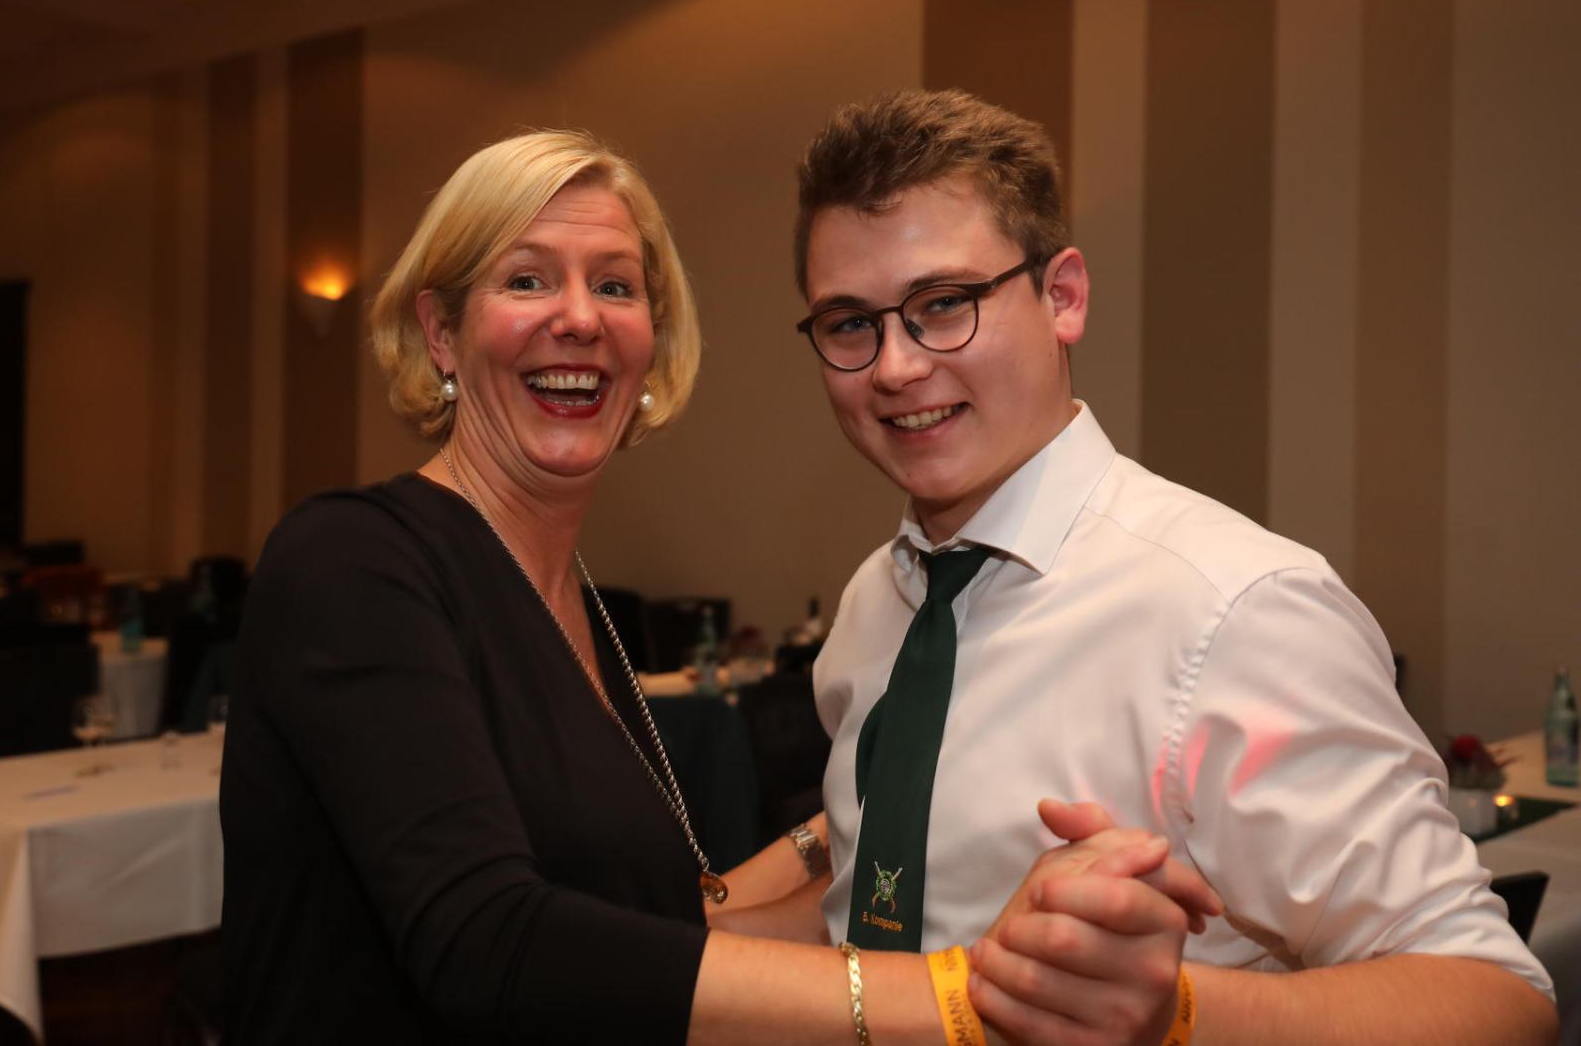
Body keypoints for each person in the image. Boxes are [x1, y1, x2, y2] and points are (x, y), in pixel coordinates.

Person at [219, 128, 1218, 1044]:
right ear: (441, 332)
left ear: (651, 342)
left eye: (616, 287)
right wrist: (963, 998)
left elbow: (661, 928)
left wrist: (919, 811)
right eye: (527, 280)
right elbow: (489, 944)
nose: (580, 318)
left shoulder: (573, 603)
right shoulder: (352, 562)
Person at [789, 89, 1556, 1044]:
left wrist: (1177, 1014)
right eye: (849, 324)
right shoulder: (877, 600)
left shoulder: (1233, 610)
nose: (896, 367)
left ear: (1063, 297)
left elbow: (1496, 998)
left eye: (944, 305)